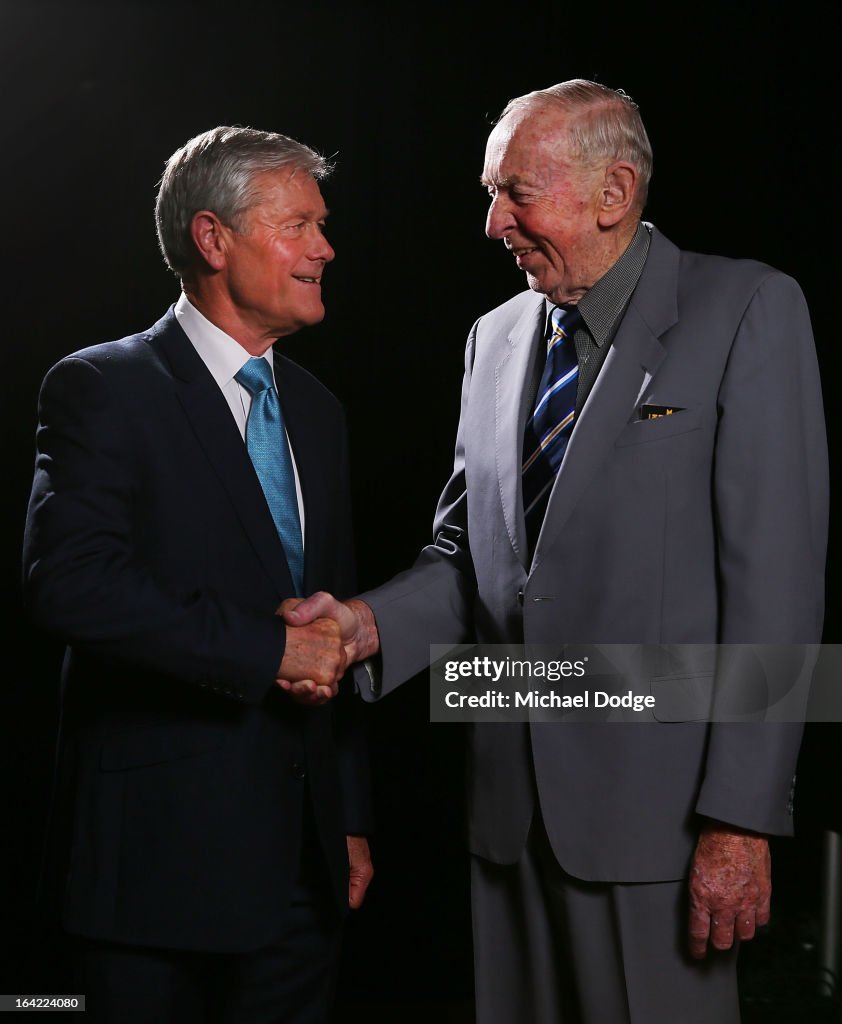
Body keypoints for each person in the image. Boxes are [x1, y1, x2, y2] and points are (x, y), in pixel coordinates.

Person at [282, 81, 829, 1023]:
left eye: (516, 193)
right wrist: (364, 627)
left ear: (614, 192)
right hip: (506, 814)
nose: (494, 222)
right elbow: (469, 558)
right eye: (489, 193)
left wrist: (741, 819)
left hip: (665, 827)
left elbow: (775, 591)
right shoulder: (491, 340)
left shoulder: (746, 308)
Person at [21, 125, 372, 1024]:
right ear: (214, 239)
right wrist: (268, 650)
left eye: (323, 226)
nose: (325, 248)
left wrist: (347, 814)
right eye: (300, 225)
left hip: (303, 874)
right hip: (152, 875)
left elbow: (333, 623)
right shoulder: (103, 387)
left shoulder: (322, 413)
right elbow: (69, 583)